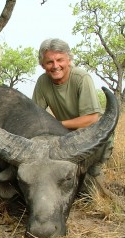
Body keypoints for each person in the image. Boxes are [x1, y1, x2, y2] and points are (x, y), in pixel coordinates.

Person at [32, 38, 114, 181]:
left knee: (89, 184)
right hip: (65, 137)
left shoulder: (81, 77)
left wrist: (58, 125)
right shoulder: (42, 81)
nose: (55, 66)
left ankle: (95, 174)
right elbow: (34, 115)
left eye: (60, 60)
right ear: (43, 65)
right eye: (49, 62)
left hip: (91, 136)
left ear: (69, 60)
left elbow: (92, 119)